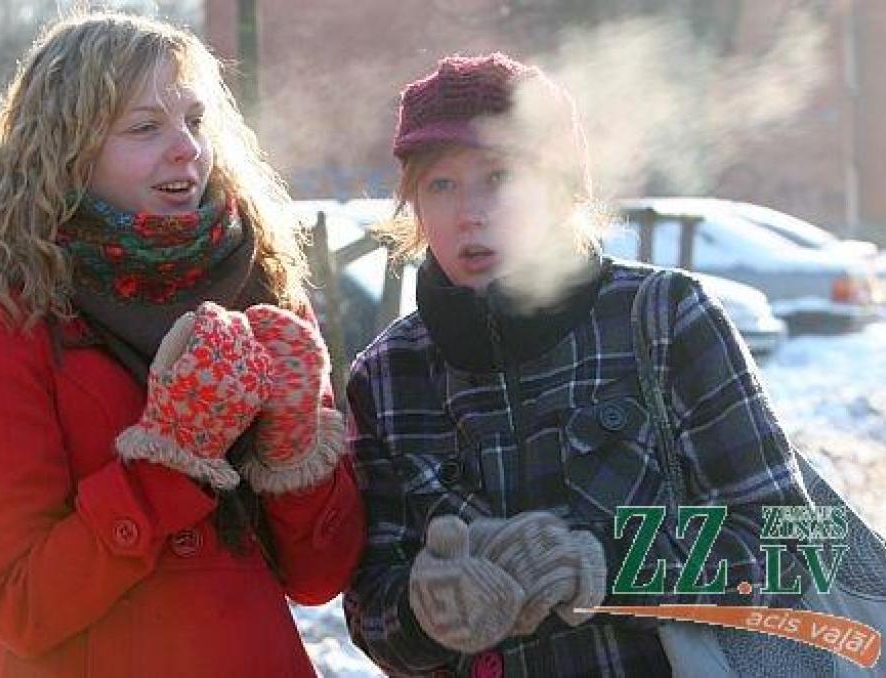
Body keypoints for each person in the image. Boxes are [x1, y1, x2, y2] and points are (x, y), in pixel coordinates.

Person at [0, 12, 364, 677]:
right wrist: (172, 459)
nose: (186, 147)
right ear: (64, 151)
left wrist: (295, 449)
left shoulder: (259, 282)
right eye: (144, 127)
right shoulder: (1, 316)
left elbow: (319, 578)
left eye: (194, 119)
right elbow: (20, 605)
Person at [342, 52, 810, 676]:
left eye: (498, 177)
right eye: (440, 184)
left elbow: (794, 544)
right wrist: (424, 614)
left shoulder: (664, 317)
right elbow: (370, 612)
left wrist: (605, 566)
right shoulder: (386, 374)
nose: (468, 213)